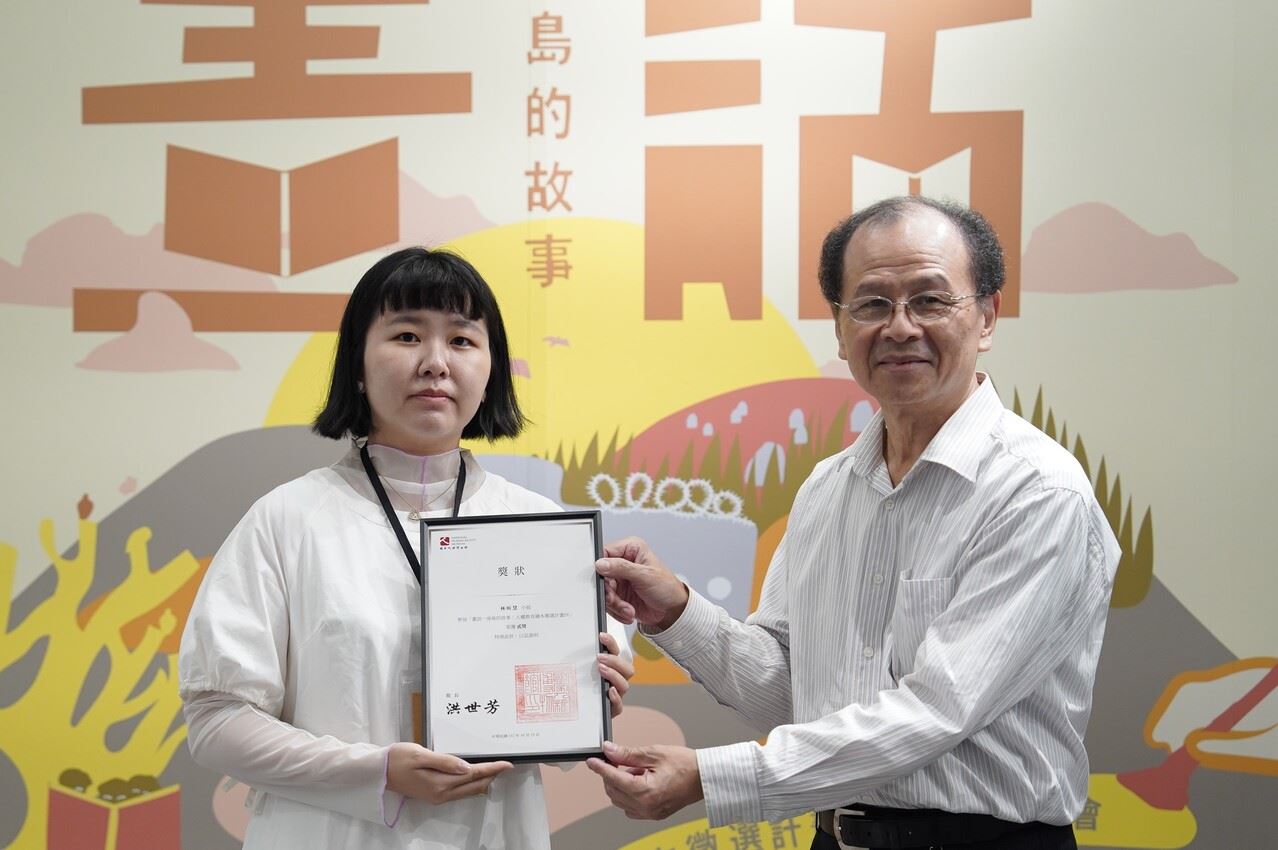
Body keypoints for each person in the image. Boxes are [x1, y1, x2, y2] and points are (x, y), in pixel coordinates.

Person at [587, 197, 1120, 850]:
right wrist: (675, 612)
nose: (900, 327)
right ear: (840, 332)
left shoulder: (1036, 491)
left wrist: (711, 776)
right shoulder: (827, 489)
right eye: (871, 304)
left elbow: (936, 710)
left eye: (929, 300)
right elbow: (792, 694)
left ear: (986, 316)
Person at [179, 247, 633, 850]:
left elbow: (567, 735)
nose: (436, 363)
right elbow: (216, 721)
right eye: (407, 336)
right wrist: (377, 772)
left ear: (491, 371)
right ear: (358, 365)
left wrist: (593, 691)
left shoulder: (546, 534)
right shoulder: (286, 520)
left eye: (462, 341)